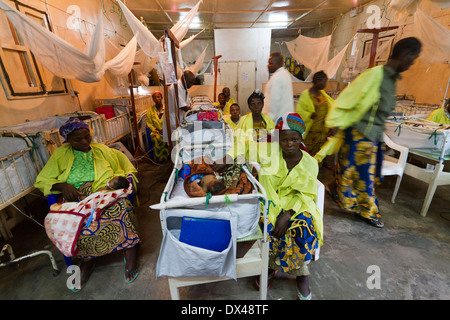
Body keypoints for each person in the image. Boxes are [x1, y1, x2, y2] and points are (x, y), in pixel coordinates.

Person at [325, 37, 422, 228]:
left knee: (358, 175)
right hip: (360, 137)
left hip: (372, 138)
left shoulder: (390, 79)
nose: (413, 63)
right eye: (413, 58)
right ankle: (369, 211)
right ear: (405, 54)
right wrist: (335, 122)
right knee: (364, 180)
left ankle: (335, 188)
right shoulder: (375, 75)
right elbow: (349, 99)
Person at [34, 118, 140, 290]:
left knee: (119, 209)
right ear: (67, 140)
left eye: (86, 137)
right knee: (75, 222)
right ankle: (88, 259)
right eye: (78, 139)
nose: (84, 142)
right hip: (77, 196)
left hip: (105, 191)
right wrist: (62, 185)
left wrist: (125, 179)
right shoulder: (61, 154)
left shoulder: (102, 150)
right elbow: (42, 180)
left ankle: (130, 250)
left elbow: (124, 163)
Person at [256, 113, 323, 300]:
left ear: (301, 138)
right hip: (272, 204)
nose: (289, 143)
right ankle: (270, 268)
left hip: (300, 205)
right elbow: (268, 190)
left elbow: (307, 194)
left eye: (294, 139)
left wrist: (289, 214)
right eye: (284, 139)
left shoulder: (310, 163)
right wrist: (278, 215)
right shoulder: (270, 158)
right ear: (278, 140)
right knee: (267, 227)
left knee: (302, 227)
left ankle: (302, 275)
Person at [296, 71, 335, 157]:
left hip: (322, 133)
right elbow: (299, 112)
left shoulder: (323, 94)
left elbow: (331, 107)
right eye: (324, 81)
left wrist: (331, 126)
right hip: (311, 132)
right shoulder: (306, 95)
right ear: (317, 81)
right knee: (307, 154)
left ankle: (317, 169)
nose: (325, 83)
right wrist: (310, 115)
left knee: (319, 154)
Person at [231, 91, 275, 162]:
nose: (256, 107)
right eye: (253, 104)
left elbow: (275, 138)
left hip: (268, 154)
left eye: (259, 104)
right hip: (249, 155)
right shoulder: (243, 120)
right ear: (249, 106)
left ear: (263, 105)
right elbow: (238, 139)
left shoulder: (268, 120)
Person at [163, 70, 196, 144]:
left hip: (180, 119)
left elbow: (187, 103)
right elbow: (182, 106)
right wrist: (195, 114)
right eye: (190, 82)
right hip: (173, 120)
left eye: (192, 83)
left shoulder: (184, 87)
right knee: (176, 146)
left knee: (181, 144)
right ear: (183, 79)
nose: (191, 85)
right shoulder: (175, 87)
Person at [263, 52, 294, 121]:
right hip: (285, 120)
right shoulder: (285, 74)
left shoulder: (277, 78)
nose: (268, 65)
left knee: (275, 132)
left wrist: (268, 120)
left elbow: (274, 102)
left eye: (271, 63)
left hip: (277, 121)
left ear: (278, 64)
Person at [146, 91, 169, 162]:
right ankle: (158, 158)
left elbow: (170, 120)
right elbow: (149, 123)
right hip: (156, 131)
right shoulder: (150, 110)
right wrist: (157, 129)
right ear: (153, 99)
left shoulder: (167, 108)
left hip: (167, 130)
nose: (156, 99)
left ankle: (167, 157)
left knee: (168, 138)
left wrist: (165, 129)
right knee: (156, 139)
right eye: (154, 97)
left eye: (158, 97)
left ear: (161, 98)